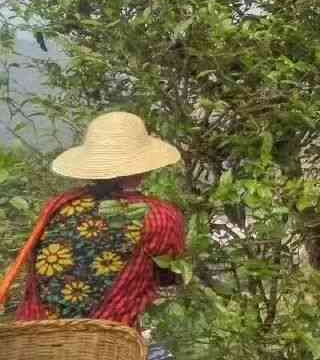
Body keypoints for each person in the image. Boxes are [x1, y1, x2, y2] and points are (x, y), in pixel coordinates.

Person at [4, 111, 186, 358]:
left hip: (35, 339)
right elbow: (169, 275)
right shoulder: (159, 216)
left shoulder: (59, 204)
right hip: (102, 343)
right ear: (145, 168)